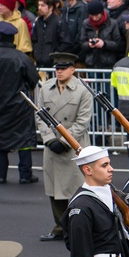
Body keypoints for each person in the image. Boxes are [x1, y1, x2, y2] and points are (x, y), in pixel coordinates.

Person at [37, 52, 92, 241]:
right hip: (52, 145)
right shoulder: (45, 88)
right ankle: (60, 227)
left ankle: (78, 227)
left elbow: (82, 121)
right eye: (57, 68)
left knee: (76, 189)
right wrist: (49, 138)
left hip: (73, 145)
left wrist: (64, 141)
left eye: (63, 68)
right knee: (55, 190)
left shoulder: (83, 91)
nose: (59, 72)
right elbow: (40, 116)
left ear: (73, 69)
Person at [0, 21, 40, 185]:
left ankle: (0, 175)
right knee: (23, 140)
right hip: (19, 105)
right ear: (14, 39)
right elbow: (34, 79)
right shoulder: (22, 58)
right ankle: (25, 175)